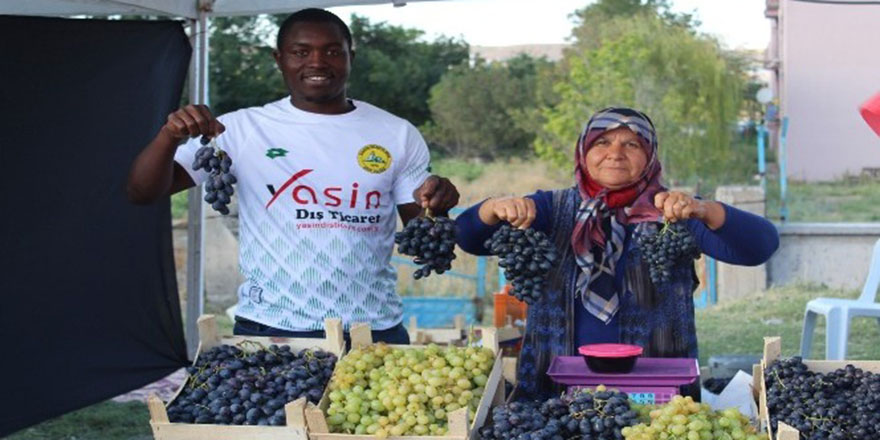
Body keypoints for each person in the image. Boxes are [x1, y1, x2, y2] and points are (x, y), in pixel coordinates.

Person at [126, 8, 459, 344]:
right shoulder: (240, 129)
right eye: (301, 52)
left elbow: (425, 235)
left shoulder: (396, 133)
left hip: (372, 330)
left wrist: (440, 205)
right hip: (271, 328)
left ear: (350, 57)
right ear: (279, 59)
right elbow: (142, 191)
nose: (317, 62)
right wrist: (169, 135)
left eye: (332, 51)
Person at [455, 107, 779, 398]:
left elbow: (759, 247)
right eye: (602, 143)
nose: (615, 154)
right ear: (583, 151)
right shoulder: (548, 208)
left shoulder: (674, 211)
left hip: (656, 392)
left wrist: (706, 209)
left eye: (632, 144)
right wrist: (492, 208)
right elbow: (469, 239)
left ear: (650, 156)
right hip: (554, 389)